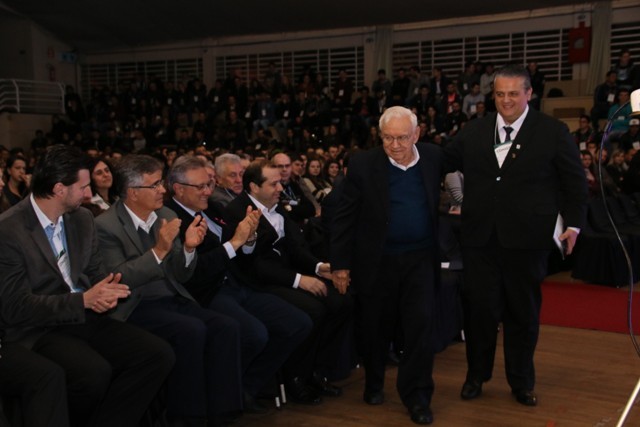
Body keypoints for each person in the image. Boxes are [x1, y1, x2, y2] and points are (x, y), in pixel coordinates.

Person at [443, 64, 588, 407]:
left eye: (513, 93)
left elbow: (574, 182)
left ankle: (521, 381)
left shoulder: (552, 131)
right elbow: (442, 159)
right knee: (480, 312)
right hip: (480, 240)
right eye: (499, 94)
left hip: (527, 241)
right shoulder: (474, 131)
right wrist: (407, 144)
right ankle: (476, 376)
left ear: (529, 94)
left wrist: (574, 224)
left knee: (523, 314)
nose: (506, 100)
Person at [0, 145, 174, 427]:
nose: (87, 193)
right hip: (37, 327)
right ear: (59, 189)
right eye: (82, 187)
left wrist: (107, 291)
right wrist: (84, 300)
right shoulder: (9, 230)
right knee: (92, 372)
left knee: (156, 355)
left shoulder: (81, 219)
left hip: (83, 315)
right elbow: (15, 306)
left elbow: (96, 274)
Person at [95, 154, 242, 426]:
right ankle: (186, 417)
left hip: (173, 296)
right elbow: (117, 277)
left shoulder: (165, 215)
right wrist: (158, 251)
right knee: (190, 330)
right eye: (154, 185)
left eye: (160, 182)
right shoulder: (106, 226)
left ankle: (222, 412)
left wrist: (188, 249)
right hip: (135, 305)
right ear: (133, 192)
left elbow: (182, 274)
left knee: (226, 327)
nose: (162, 189)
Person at [164, 155, 312, 414]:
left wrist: (249, 238)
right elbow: (194, 271)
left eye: (210, 184)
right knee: (254, 334)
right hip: (208, 291)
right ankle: (228, 393)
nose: (208, 191)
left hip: (237, 283)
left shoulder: (212, 208)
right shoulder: (171, 219)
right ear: (178, 189)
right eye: (201, 186)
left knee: (298, 323)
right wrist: (236, 243)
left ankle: (247, 386)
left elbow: (243, 252)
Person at [331, 106, 442, 425]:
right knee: (375, 327)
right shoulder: (363, 164)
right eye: (388, 138)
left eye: (402, 138)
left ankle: (417, 397)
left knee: (420, 328)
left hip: (420, 259)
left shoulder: (434, 157)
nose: (395, 145)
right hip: (377, 261)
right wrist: (340, 264)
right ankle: (374, 382)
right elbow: (344, 216)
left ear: (416, 134)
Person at [224, 159, 353, 406]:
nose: (280, 188)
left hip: (285, 275)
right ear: (254, 187)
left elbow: (296, 247)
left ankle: (316, 370)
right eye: (273, 184)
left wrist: (318, 267)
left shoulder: (276, 207)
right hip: (258, 283)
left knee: (342, 302)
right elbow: (254, 265)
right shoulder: (237, 211)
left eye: (280, 183)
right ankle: (295, 377)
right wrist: (298, 280)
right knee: (314, 310)